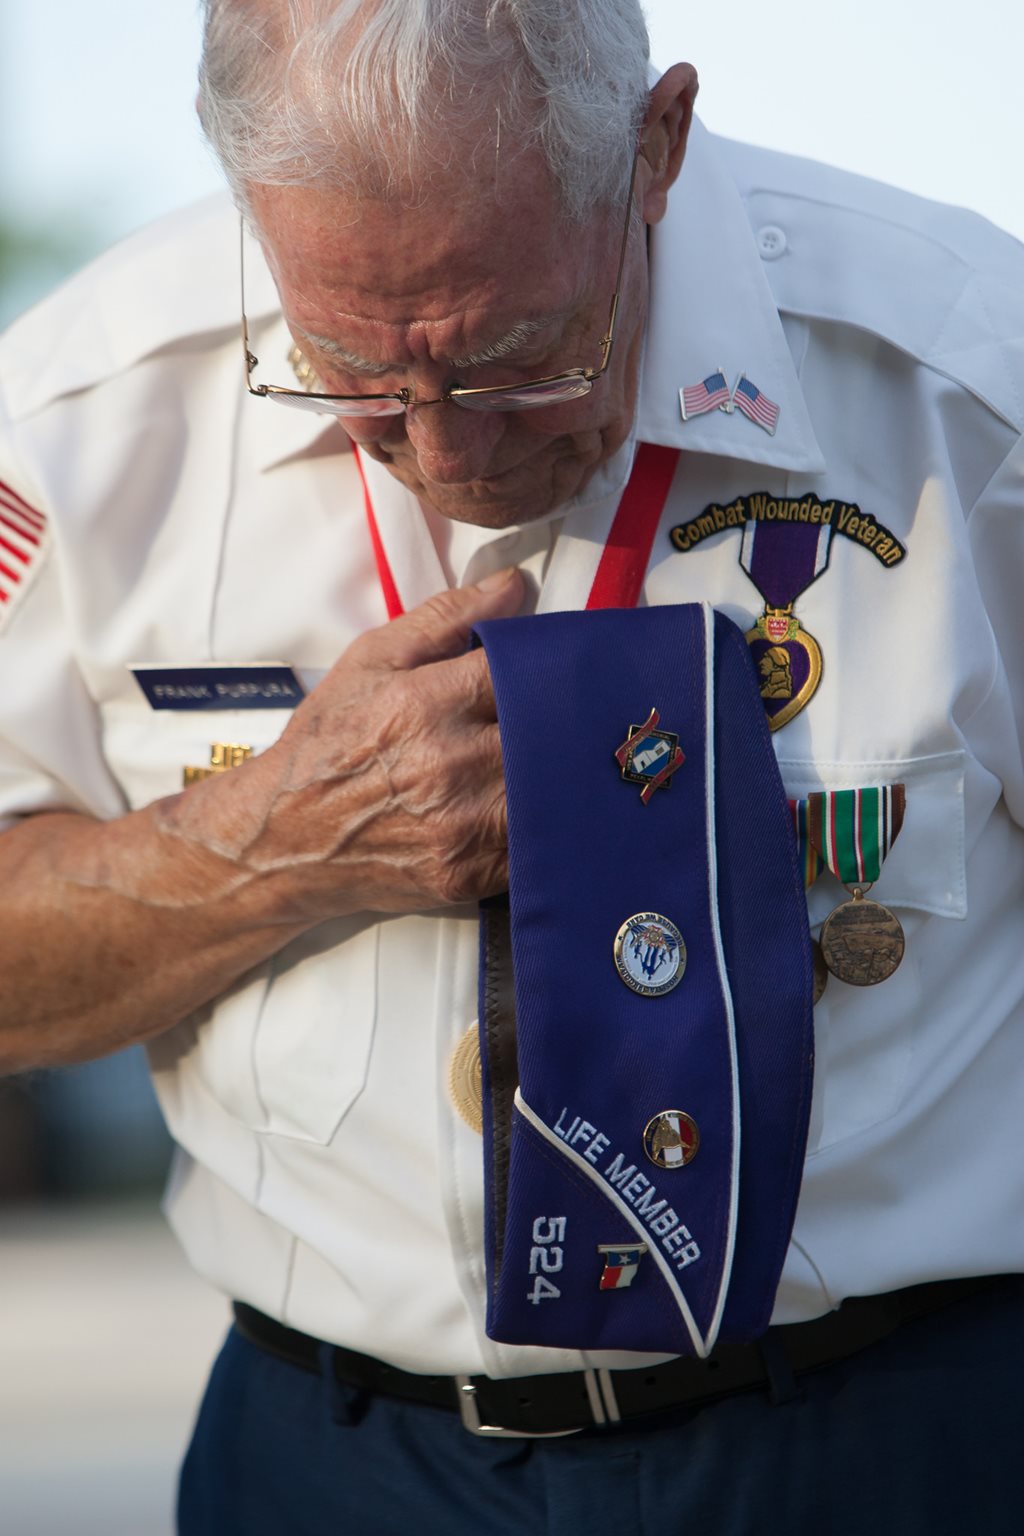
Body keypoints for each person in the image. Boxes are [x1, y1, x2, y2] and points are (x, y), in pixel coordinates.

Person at [1, 2, 1022, 1531]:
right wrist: (263, 845)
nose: (446, 455)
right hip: (332, 1459)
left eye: (512, 361)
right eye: (346, 370)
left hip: (885, 1439)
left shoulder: (967, 385)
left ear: (656, 149)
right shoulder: (74, 424)